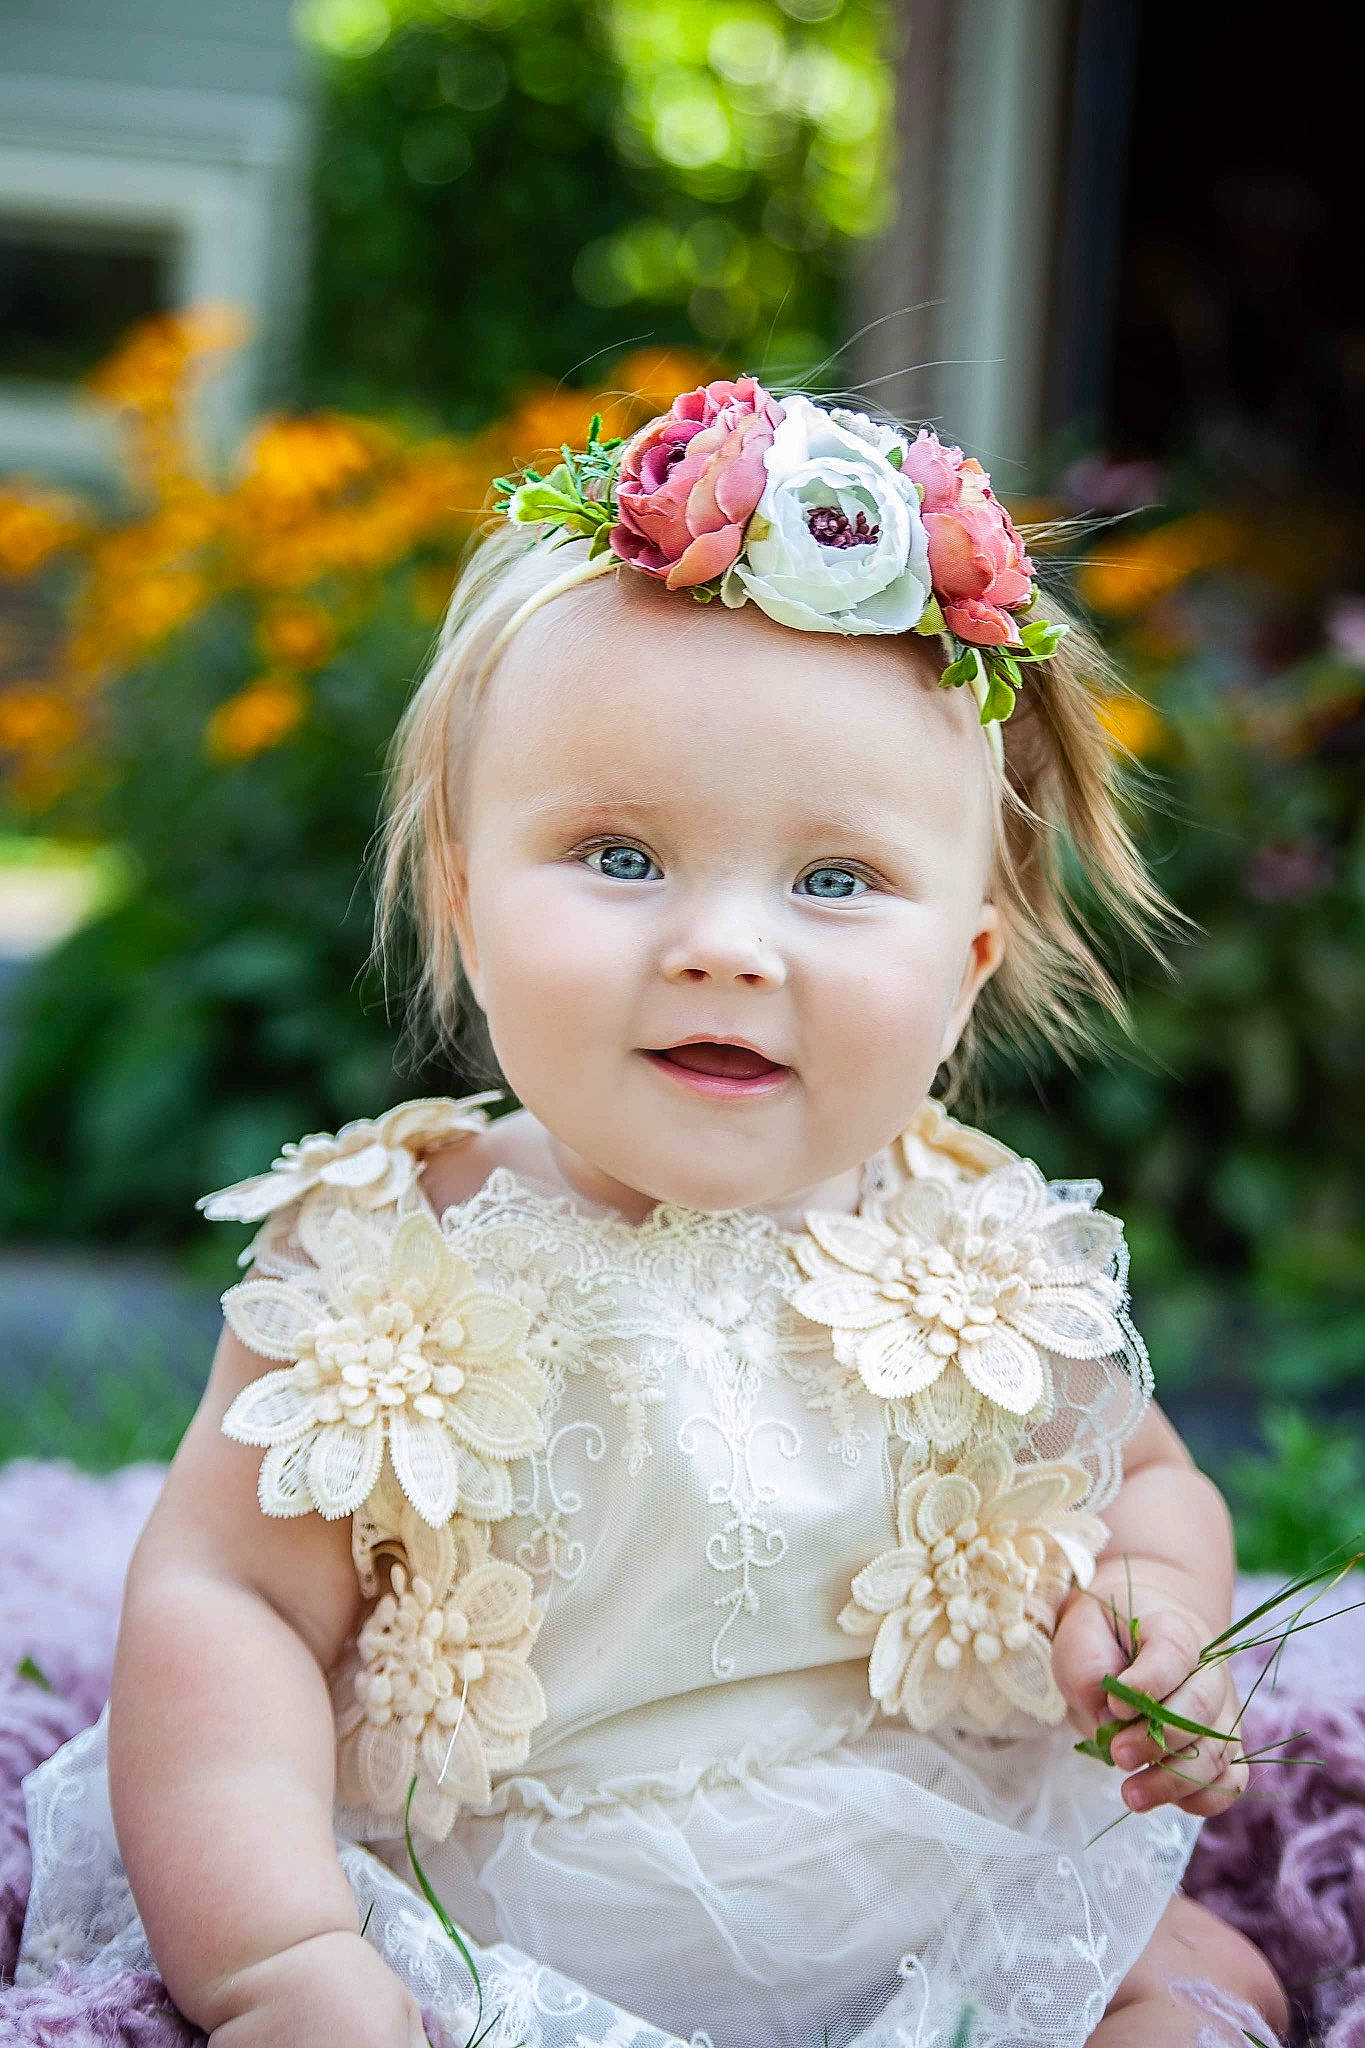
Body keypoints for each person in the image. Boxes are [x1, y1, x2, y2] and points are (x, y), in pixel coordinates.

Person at [17, 380, 1290, 2048]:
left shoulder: (986, 1255)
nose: (724, 948)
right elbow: (231, 1604)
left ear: (964, 969)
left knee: (1213, 1990)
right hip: (507, 1910)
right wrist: (281, 1960)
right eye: (619, 857)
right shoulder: (396, 1259)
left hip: (922, 1867)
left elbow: (1143, 1485)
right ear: (467, 905)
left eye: (834, 882)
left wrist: (1155, 1613)